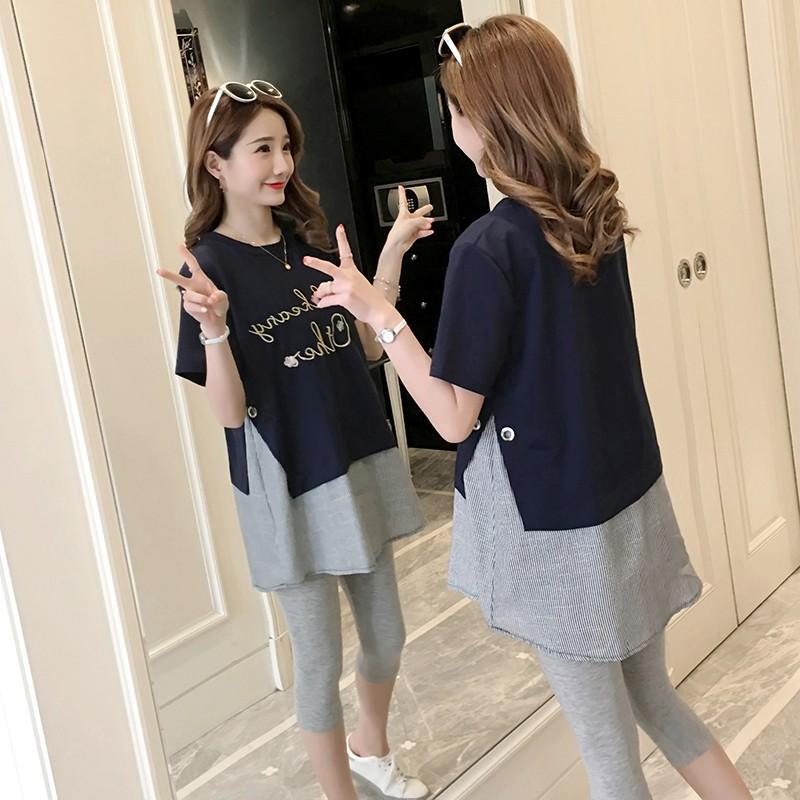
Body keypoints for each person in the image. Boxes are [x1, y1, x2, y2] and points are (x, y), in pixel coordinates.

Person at [303, 16, 753, 800]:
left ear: (484, 119)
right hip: (626, 500)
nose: (452, 121)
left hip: (557, 530)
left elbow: (451, 419)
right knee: (657, 700)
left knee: (609, 760)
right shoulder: (591, 218)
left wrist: (382, 314)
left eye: (454, 106)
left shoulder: (490, 248)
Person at [156, 80, 432, 800]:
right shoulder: (206, 269)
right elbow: (228, 412)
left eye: (286, 147)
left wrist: (390, 259)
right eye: (262, 149)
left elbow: (365, 351)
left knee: (387, 637)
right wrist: (214, 329)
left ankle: (371, 747)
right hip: (286, 481)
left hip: (356, 459)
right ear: (216, 165)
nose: (281, 164)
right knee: (318, 661)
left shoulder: (309, 241)